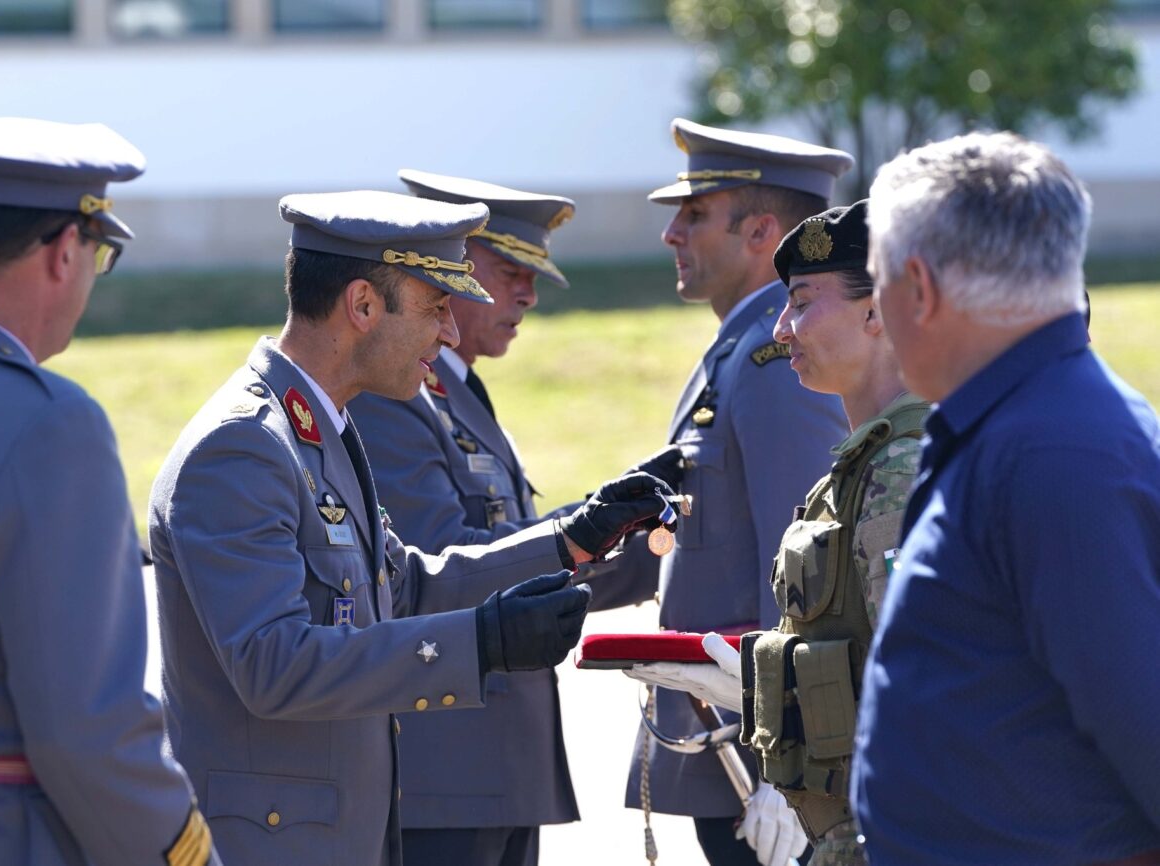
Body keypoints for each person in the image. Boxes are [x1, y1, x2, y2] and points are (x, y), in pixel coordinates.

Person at [149, 190, 675, 866]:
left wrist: (571, 539)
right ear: (363, 305)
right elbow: (274, 666)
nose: (451, 334)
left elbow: (407, 586)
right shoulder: (242, 448)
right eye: (436, 308)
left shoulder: (319, 431)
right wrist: (479, 643)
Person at [0, 117, 216, 865]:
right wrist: (183, 855)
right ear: (64, 253)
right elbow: (87, 731)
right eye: (99, 256)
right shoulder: (48, 424)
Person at [849, 132, 1160, 864]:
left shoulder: (1055, 455)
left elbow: (1143, 718)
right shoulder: (1024, 422)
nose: (878, 316)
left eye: (877, 281)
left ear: (918, 288)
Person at [349, 170, 669, 866]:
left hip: (491, 759)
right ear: (448, 271)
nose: (527, 294)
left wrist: (641, 540)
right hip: (447, 763)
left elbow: (510, 548)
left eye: (532, 276)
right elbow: (444, 566)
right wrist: (609, 535)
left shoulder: (455, 392)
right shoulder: (394, 398)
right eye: (509, 271)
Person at [627, 200, 929, 866]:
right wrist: (758, 686)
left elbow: (922, 684)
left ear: (877, 312)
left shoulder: (902, 469)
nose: (783, 328)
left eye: (802, 303)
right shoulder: (863, 466)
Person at [623, 118, 853, 866]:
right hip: (728, 740)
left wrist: (793, 764)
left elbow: (809, 572)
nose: (672, 234)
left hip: (760, 759)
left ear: (760, 232)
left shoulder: (774, 363)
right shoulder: (738, 351)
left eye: (694, 214)